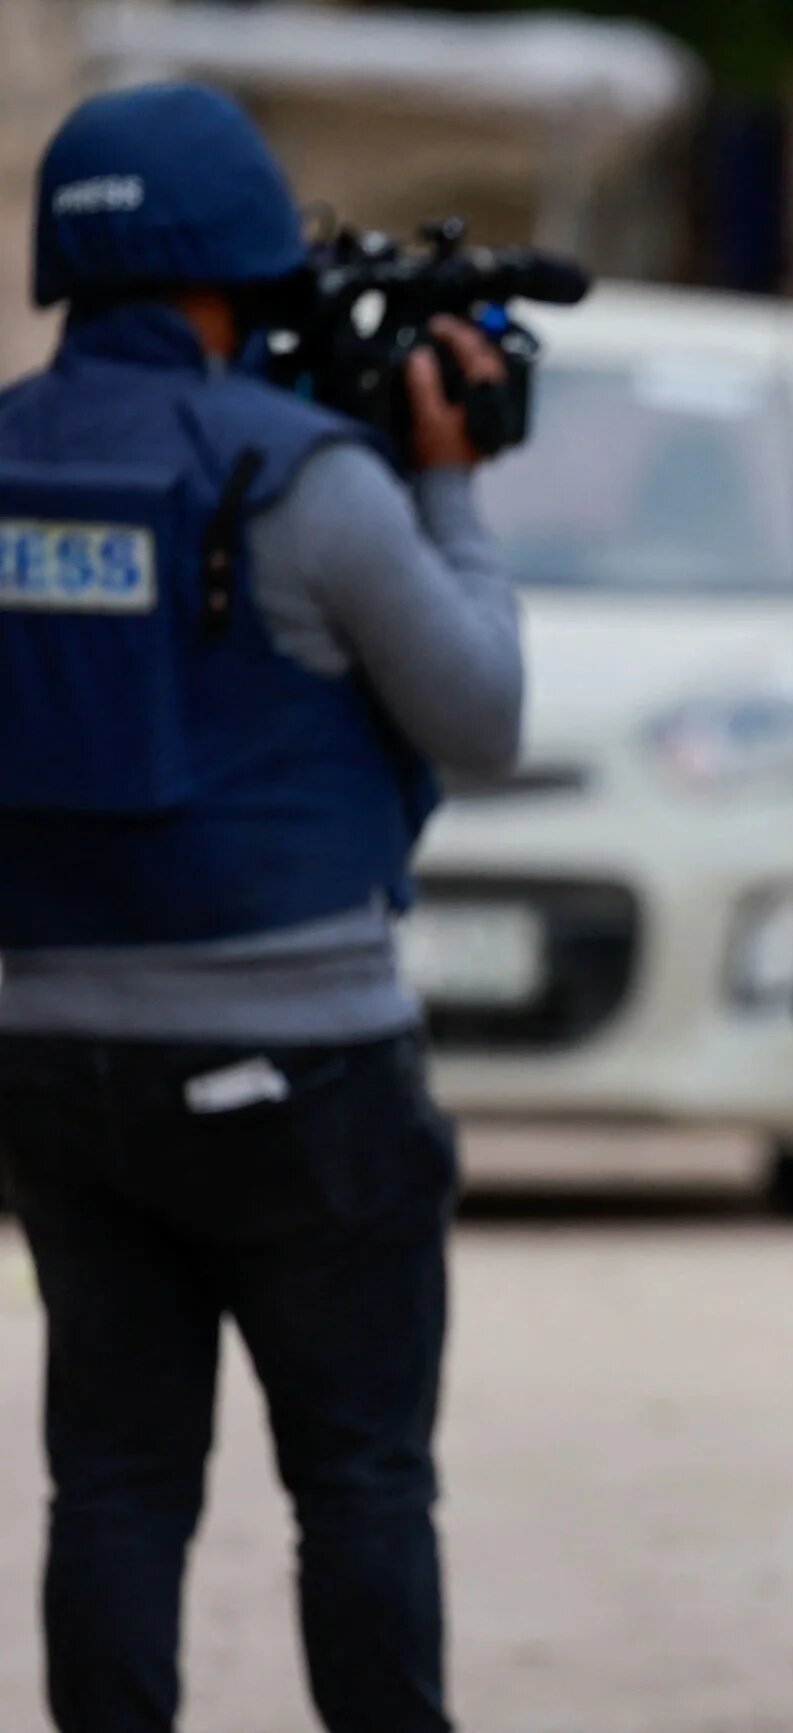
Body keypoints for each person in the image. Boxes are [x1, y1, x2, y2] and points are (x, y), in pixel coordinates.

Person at [0, 85, 520, 1733]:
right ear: (237, 266)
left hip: (53, 1051)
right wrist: (447, 482)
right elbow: (481, 715)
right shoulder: (310, 478)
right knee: (361, 1478)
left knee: (115, 1481)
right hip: (305, 1067)